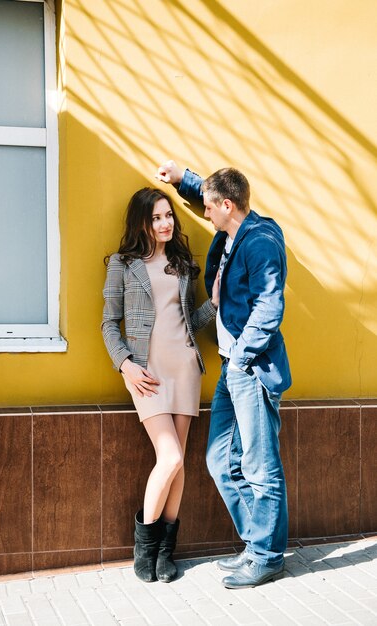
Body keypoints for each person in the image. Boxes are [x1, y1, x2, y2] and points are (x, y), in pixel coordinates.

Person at [156, 161, 292, 589]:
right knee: (219, 460)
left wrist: (242, 357)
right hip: (233, 368)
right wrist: (183, 178)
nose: (205, 214)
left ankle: (267, 555)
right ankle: (256, 545)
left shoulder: (260, 243)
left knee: (259, 463)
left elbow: (270, 306)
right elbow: (208, 194)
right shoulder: (234, 232)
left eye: (211, 209)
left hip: (250, 368)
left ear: (228, 206)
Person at [101, 187, 218, 583]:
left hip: (185, 367)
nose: (165, 223)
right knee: (168, 458)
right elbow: (108, 323)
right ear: (142, 222)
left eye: (168, 215)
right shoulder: (122, 264)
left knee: (179, 461)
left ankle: (167, 551)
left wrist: (214, 302)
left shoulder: (184, 266)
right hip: (146, 374)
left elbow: (191, 322)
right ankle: (146, 544)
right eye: (155, 218)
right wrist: (125, 366)